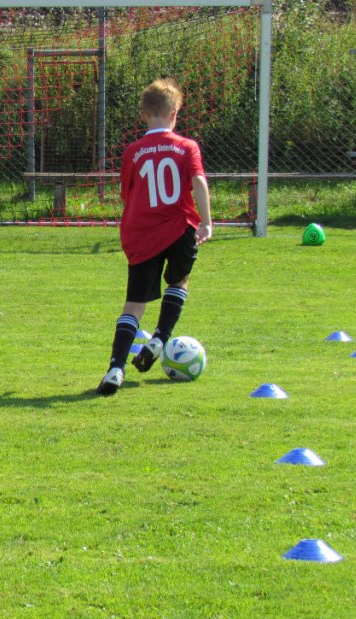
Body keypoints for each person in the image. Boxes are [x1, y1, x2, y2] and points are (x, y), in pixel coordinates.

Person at [97, 78, 212, 396]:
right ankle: (161, 337)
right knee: (179, 282)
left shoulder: (133, 152)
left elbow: (127, 194)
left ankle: (116, 368)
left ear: (144, 115)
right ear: (176, 112)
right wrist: (206, 222)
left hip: (141, 233)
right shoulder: (187, 147)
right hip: (178, 227)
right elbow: (199, 182)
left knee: (133, 306)